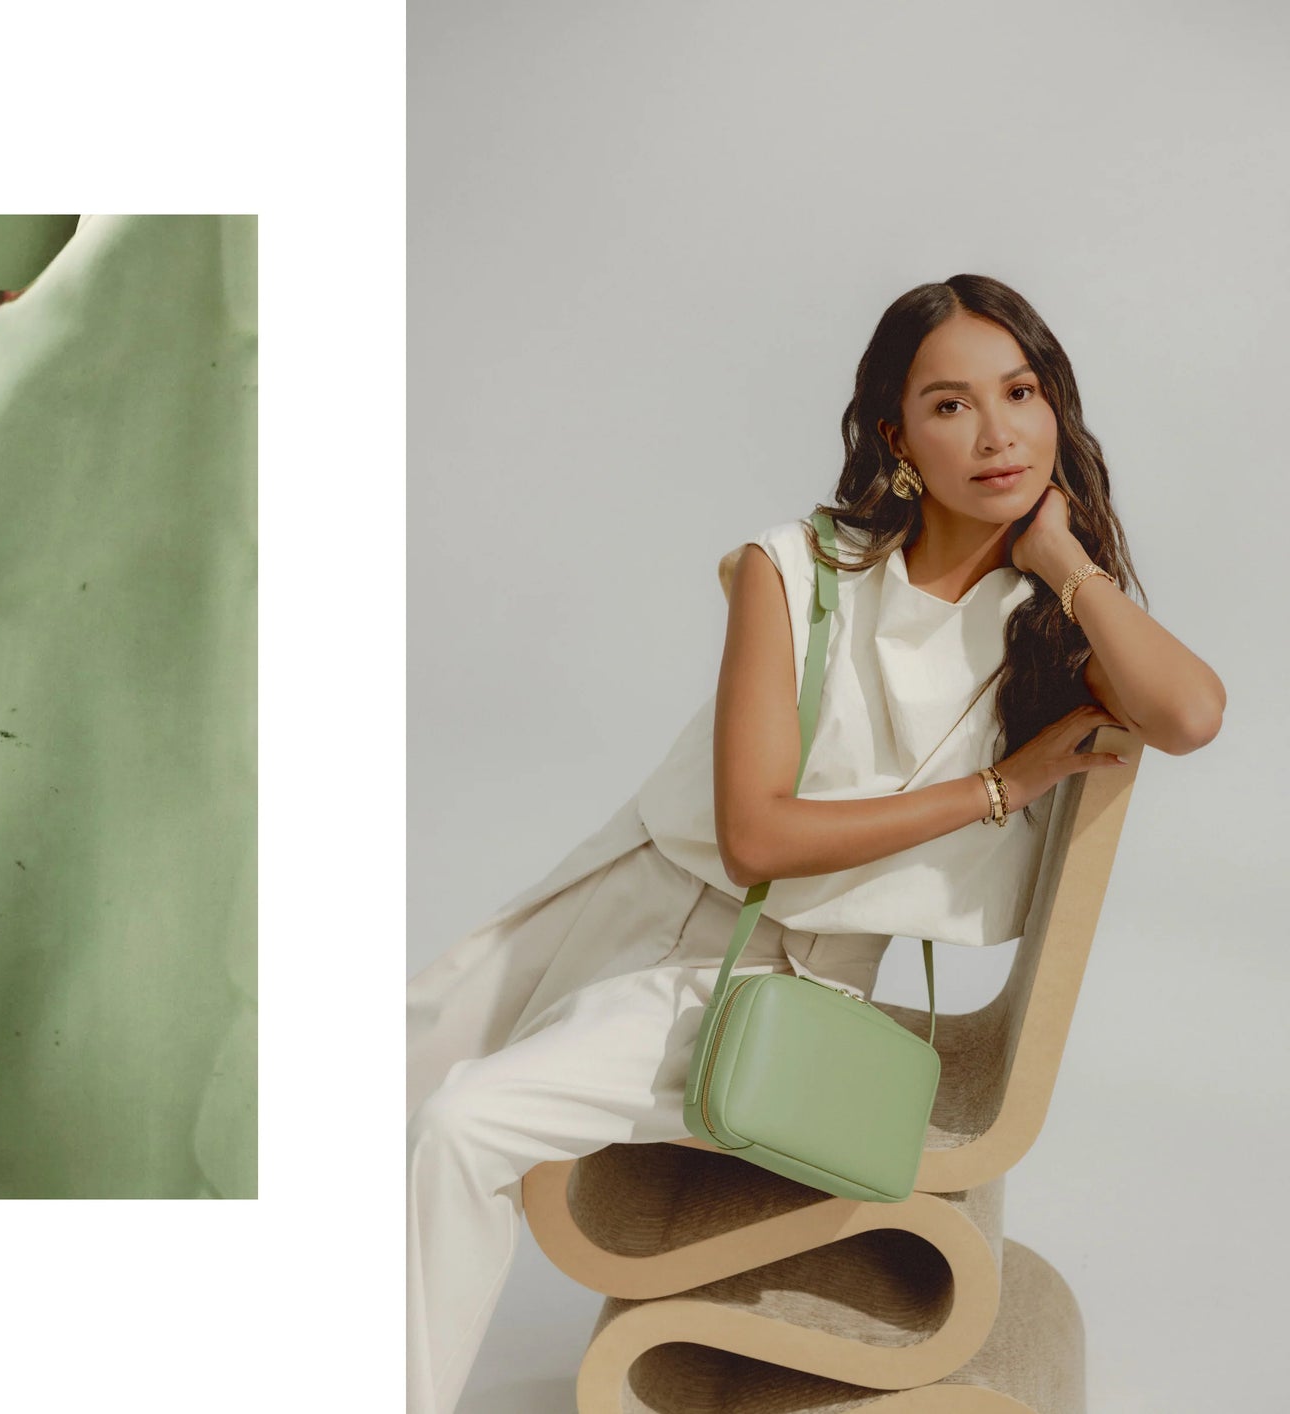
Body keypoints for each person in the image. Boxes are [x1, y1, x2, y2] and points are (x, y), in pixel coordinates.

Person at [404, 273, 1226, 1414]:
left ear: (1056, 407)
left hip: (749, 980)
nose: (997, 433)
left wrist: (1068, 563)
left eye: (1021, 391)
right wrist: (996, 788)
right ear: (896, 436)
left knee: (459, 1128)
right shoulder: (794, 569)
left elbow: (1189, 713)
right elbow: (755, 833)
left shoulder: (1041, 628)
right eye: (950, 405)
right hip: (623, 900)